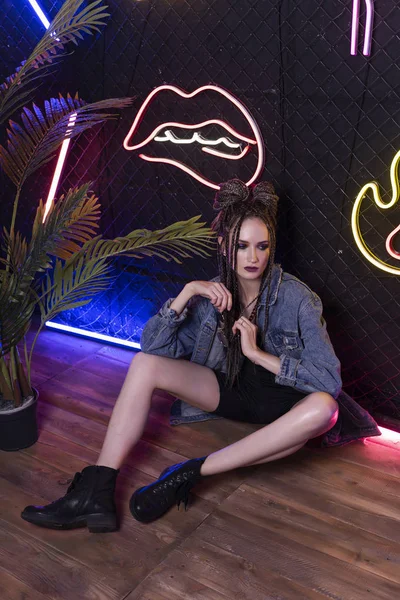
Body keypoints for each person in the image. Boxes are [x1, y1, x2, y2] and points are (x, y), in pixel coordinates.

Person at [21, 179, 341, 533]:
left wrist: (258, 354)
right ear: (224, 246)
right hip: (231, 393)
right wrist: (186, 294)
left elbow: (328, 381)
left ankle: (191, 470)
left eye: (262, 246)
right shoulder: (211, 295)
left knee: (325, 409)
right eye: (242, 246)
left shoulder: (297, 299)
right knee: (144, 365)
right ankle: (97, 489)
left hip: (286, 406)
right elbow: (153, 350)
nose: (253, 258)